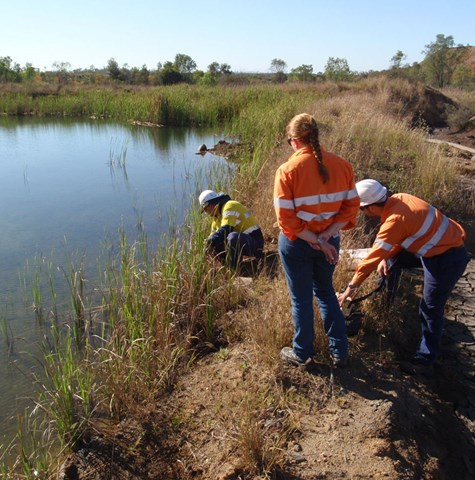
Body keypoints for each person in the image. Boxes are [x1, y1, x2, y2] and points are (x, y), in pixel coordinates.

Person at [338, 179, 469, 374]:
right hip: (440, 248)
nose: (363, 214)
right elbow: (402, 236)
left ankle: (425, 361)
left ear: (371, 207)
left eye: (362, 209)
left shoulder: (394, 221)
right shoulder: (401, 199)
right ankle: (384, 305)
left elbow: (371, 260)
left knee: (430, 309)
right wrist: (387, 256)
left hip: (445, 260)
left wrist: (349, 290)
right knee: (389, 262)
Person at [274, 113, 360, 368]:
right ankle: (340, 351)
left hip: (298, 244)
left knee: (301, 298)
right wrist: (325, 237)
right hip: (330, 241)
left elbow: (286, 221)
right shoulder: (343, 166)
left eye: (290, 140)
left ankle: (302, 353)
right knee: (325, 293)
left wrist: (314, 239)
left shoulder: (287, 171)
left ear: (295, 140)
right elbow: (350, 210)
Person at [199, 189, 264, 270]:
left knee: (232, 237)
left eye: (205, 209)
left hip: (255, 243)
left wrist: (210, 240)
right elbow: (213, 237)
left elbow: (226, 229)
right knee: (214, 242)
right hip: (244, 242)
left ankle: (234, 269)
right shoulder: (216, 218)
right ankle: (227, 266)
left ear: (210, 205)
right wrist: (207, 245)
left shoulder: (230, 206)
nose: (206, 212)